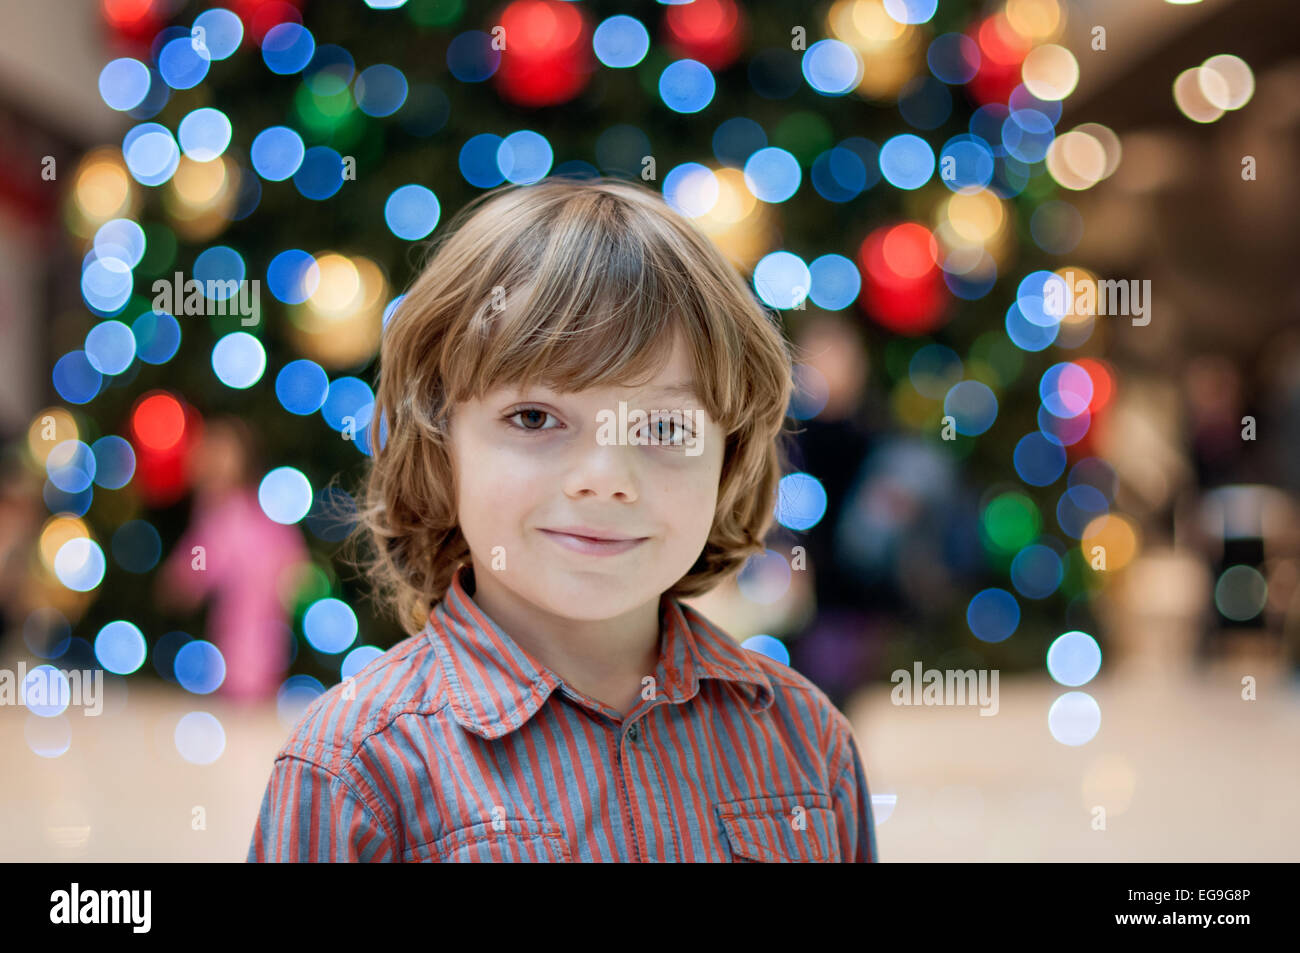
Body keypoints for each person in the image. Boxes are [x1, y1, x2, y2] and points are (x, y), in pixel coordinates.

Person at [247, 177, 878, 862]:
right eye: (535, 417)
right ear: (439, 442)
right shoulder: (354, 770)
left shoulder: (807, 740)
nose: (604, 479)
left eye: (664, 424)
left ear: (729, 456)